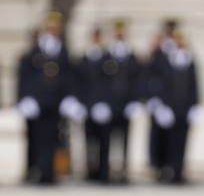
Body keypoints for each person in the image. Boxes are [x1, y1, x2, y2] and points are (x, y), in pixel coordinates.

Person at [17, 11, 82, 185]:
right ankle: (37, 170)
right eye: (50, 27)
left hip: (56, 101)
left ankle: (51, 172)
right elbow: (27, 76)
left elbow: (68, 76)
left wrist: (70, 98)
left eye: (56, 27)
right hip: (38, 102)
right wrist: (25, 97)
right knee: (37, 138)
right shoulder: (35, 51)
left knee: (54, 138)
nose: (53, 30)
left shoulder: (62, 50)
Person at [149, 29, 199, 184]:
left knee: (182, 141)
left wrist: (196, 105)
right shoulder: (167, 61)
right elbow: (162, 86)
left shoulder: (190, 61)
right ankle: (167, 169)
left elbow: (194, 85)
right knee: (168, 142)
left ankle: (179, 170)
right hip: (169, 108)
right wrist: (161, 105)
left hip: (184, 108)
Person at [77, 26, 117, 182]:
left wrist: (108, 104)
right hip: (87, 107)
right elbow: (79, 82)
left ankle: (103, 171)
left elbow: (112, 84)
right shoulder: (84, 59)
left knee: (104, 141)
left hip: (104, 107)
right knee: (89, 141)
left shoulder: (109, 59)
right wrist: (80, 103)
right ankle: (89, 170)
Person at [106, 18, 143, 182]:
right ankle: (106, 170)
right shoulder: (107, 55)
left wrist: (136, 101)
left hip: (126, 104)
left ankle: (124, 170)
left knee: (125, 140)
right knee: (107, 140)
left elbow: (138, 80)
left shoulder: (131, 56)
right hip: (110, 104)